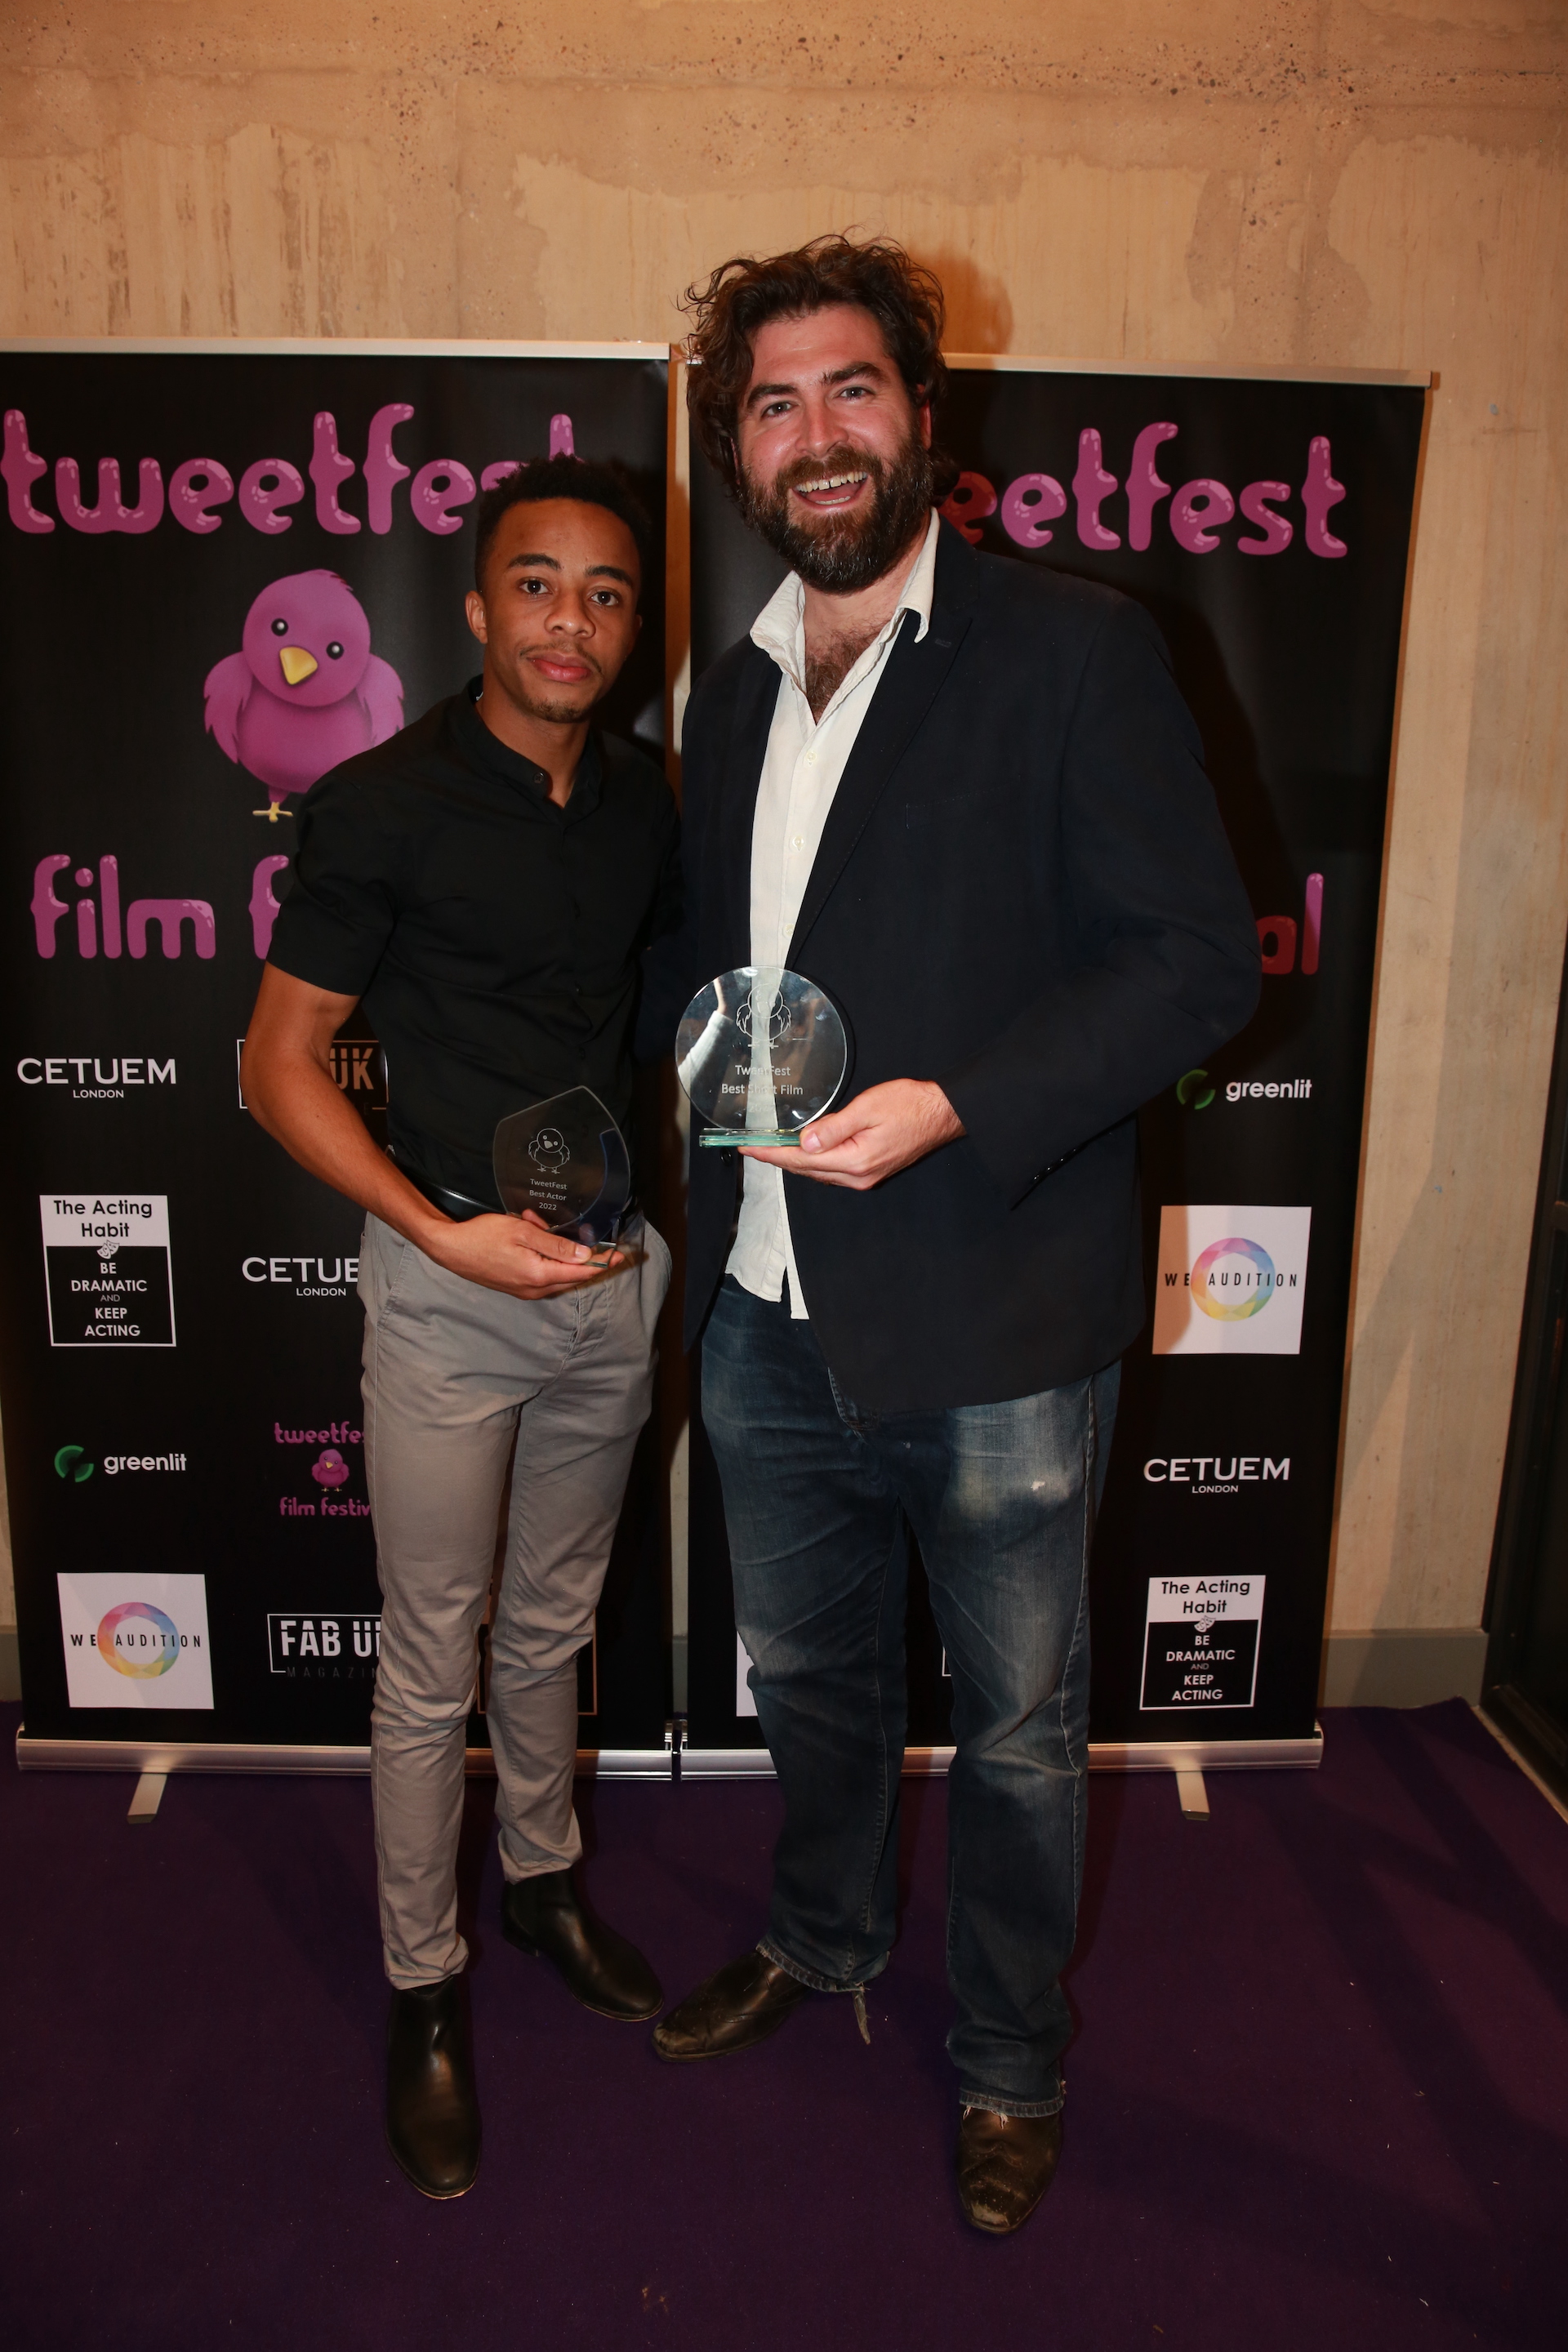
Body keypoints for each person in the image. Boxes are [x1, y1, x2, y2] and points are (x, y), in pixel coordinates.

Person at [641, 238, 1261, 2233]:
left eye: (852, 389)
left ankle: (1007, 2058)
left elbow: (1196, 961)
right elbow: (710, 963)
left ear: (924, 411)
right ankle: (822, 1937)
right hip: (761, 1304)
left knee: (1012, 1732)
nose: (816, 434)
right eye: (773, 403)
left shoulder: (1074, 652)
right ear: (737, 448)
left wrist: (961, 1105)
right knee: (816, 1689)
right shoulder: (729, 688)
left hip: (993, 1306)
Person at [242, 456, 679, 2202]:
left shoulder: (647, 804)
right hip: (447, 1291)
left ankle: (542, 1883)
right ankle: (423, 1987)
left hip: (613, 1283)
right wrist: (440, 1233)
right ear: (483, 606)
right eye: (539, 584)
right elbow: (275, 1066)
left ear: (633, 628)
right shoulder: (383, 803)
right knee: (432, 1657)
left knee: (554, 1624)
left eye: (607, 592)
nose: (571, 620)